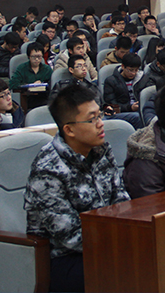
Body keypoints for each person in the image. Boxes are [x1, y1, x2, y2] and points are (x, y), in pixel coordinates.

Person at [24, 84, 129, 293]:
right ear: (69, 130)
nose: (101, 124)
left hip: (106, 245)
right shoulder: (48, 169)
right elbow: (70, 236)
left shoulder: (101, 151)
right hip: (65, 259)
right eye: (92, 119)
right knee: (130, 268)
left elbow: (121, 200)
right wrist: (120, 242)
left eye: (100, 116)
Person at [102, 53, 145, 129]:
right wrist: (130, 108)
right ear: (123, 66)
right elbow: (112, 104)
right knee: (137, 116)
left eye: (136, 70)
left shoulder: (142, 78)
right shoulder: (111, 81)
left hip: (140, 109)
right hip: (122, 112)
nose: (133, 73)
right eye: (130, 70)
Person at [9, 42, 52, 110]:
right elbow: (13, 84)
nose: (37, 59)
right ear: (29, 56)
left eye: (39, 57)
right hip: (27, 99)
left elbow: (52, 84)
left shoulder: (47, 69)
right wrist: (29, 85)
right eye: (34, 57)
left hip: (44, 98)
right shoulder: (22, 68)